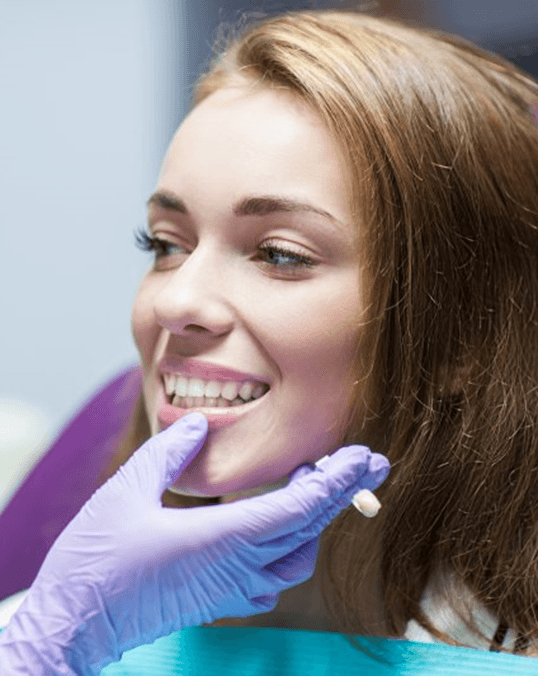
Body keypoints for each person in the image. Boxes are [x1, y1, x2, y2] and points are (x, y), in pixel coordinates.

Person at [1, 6, 538, 674]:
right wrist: (55, 639)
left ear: (463, 340)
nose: (174, 301)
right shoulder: (50, 631)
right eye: (165, 244)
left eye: (280, 254)